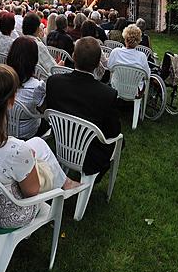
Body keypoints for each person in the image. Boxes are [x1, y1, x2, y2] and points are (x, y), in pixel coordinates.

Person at [0, 65, 79, 229]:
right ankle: (64, 184)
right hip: (8, 214)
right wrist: (31, 161)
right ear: (12, 101)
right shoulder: (16, 150)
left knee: (37, 143)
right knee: (38, 157)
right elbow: (32, 192)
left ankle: (65, 181)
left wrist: (26, 158)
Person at [45, 37, 122, 177]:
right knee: (121, 142)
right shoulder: (107, 94)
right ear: (99, 63)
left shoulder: (54, 82)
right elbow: (113, 132)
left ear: (73, 57)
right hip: (90, 155)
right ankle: (95, 177)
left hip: (61, 142)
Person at [6, 36, 46, 139]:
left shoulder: (2, 77)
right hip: (28, 133)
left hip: (5, 127)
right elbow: (45, 111)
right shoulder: (36, 87)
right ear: (34, 59)